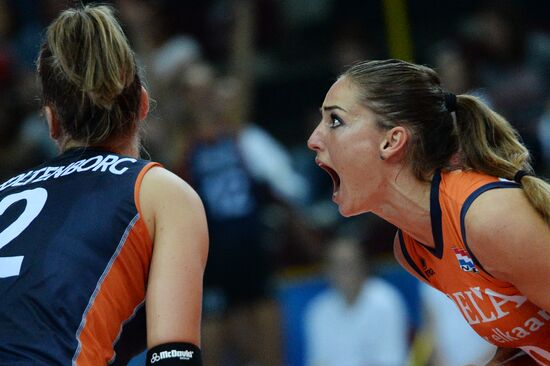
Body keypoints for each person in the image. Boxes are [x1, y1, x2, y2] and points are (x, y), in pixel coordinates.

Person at [0, 4, 208, 366]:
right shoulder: (159, 191)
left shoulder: (5, 191)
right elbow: (174, 358)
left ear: (51, 122)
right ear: (143, 103)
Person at [307, 59, 550, 365]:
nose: (313, 139)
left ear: (391, 140)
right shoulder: (412, 249)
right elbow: (530, 342)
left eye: (335, 121)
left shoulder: (487, 216)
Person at [303, 235, 408, 366]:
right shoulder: (318, 311)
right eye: (337, 267)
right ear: (328, 271)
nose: (344, 274)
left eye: (349, 266)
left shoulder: (386, 301)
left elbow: (392, 360)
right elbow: (319, 362)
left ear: (363, 266)